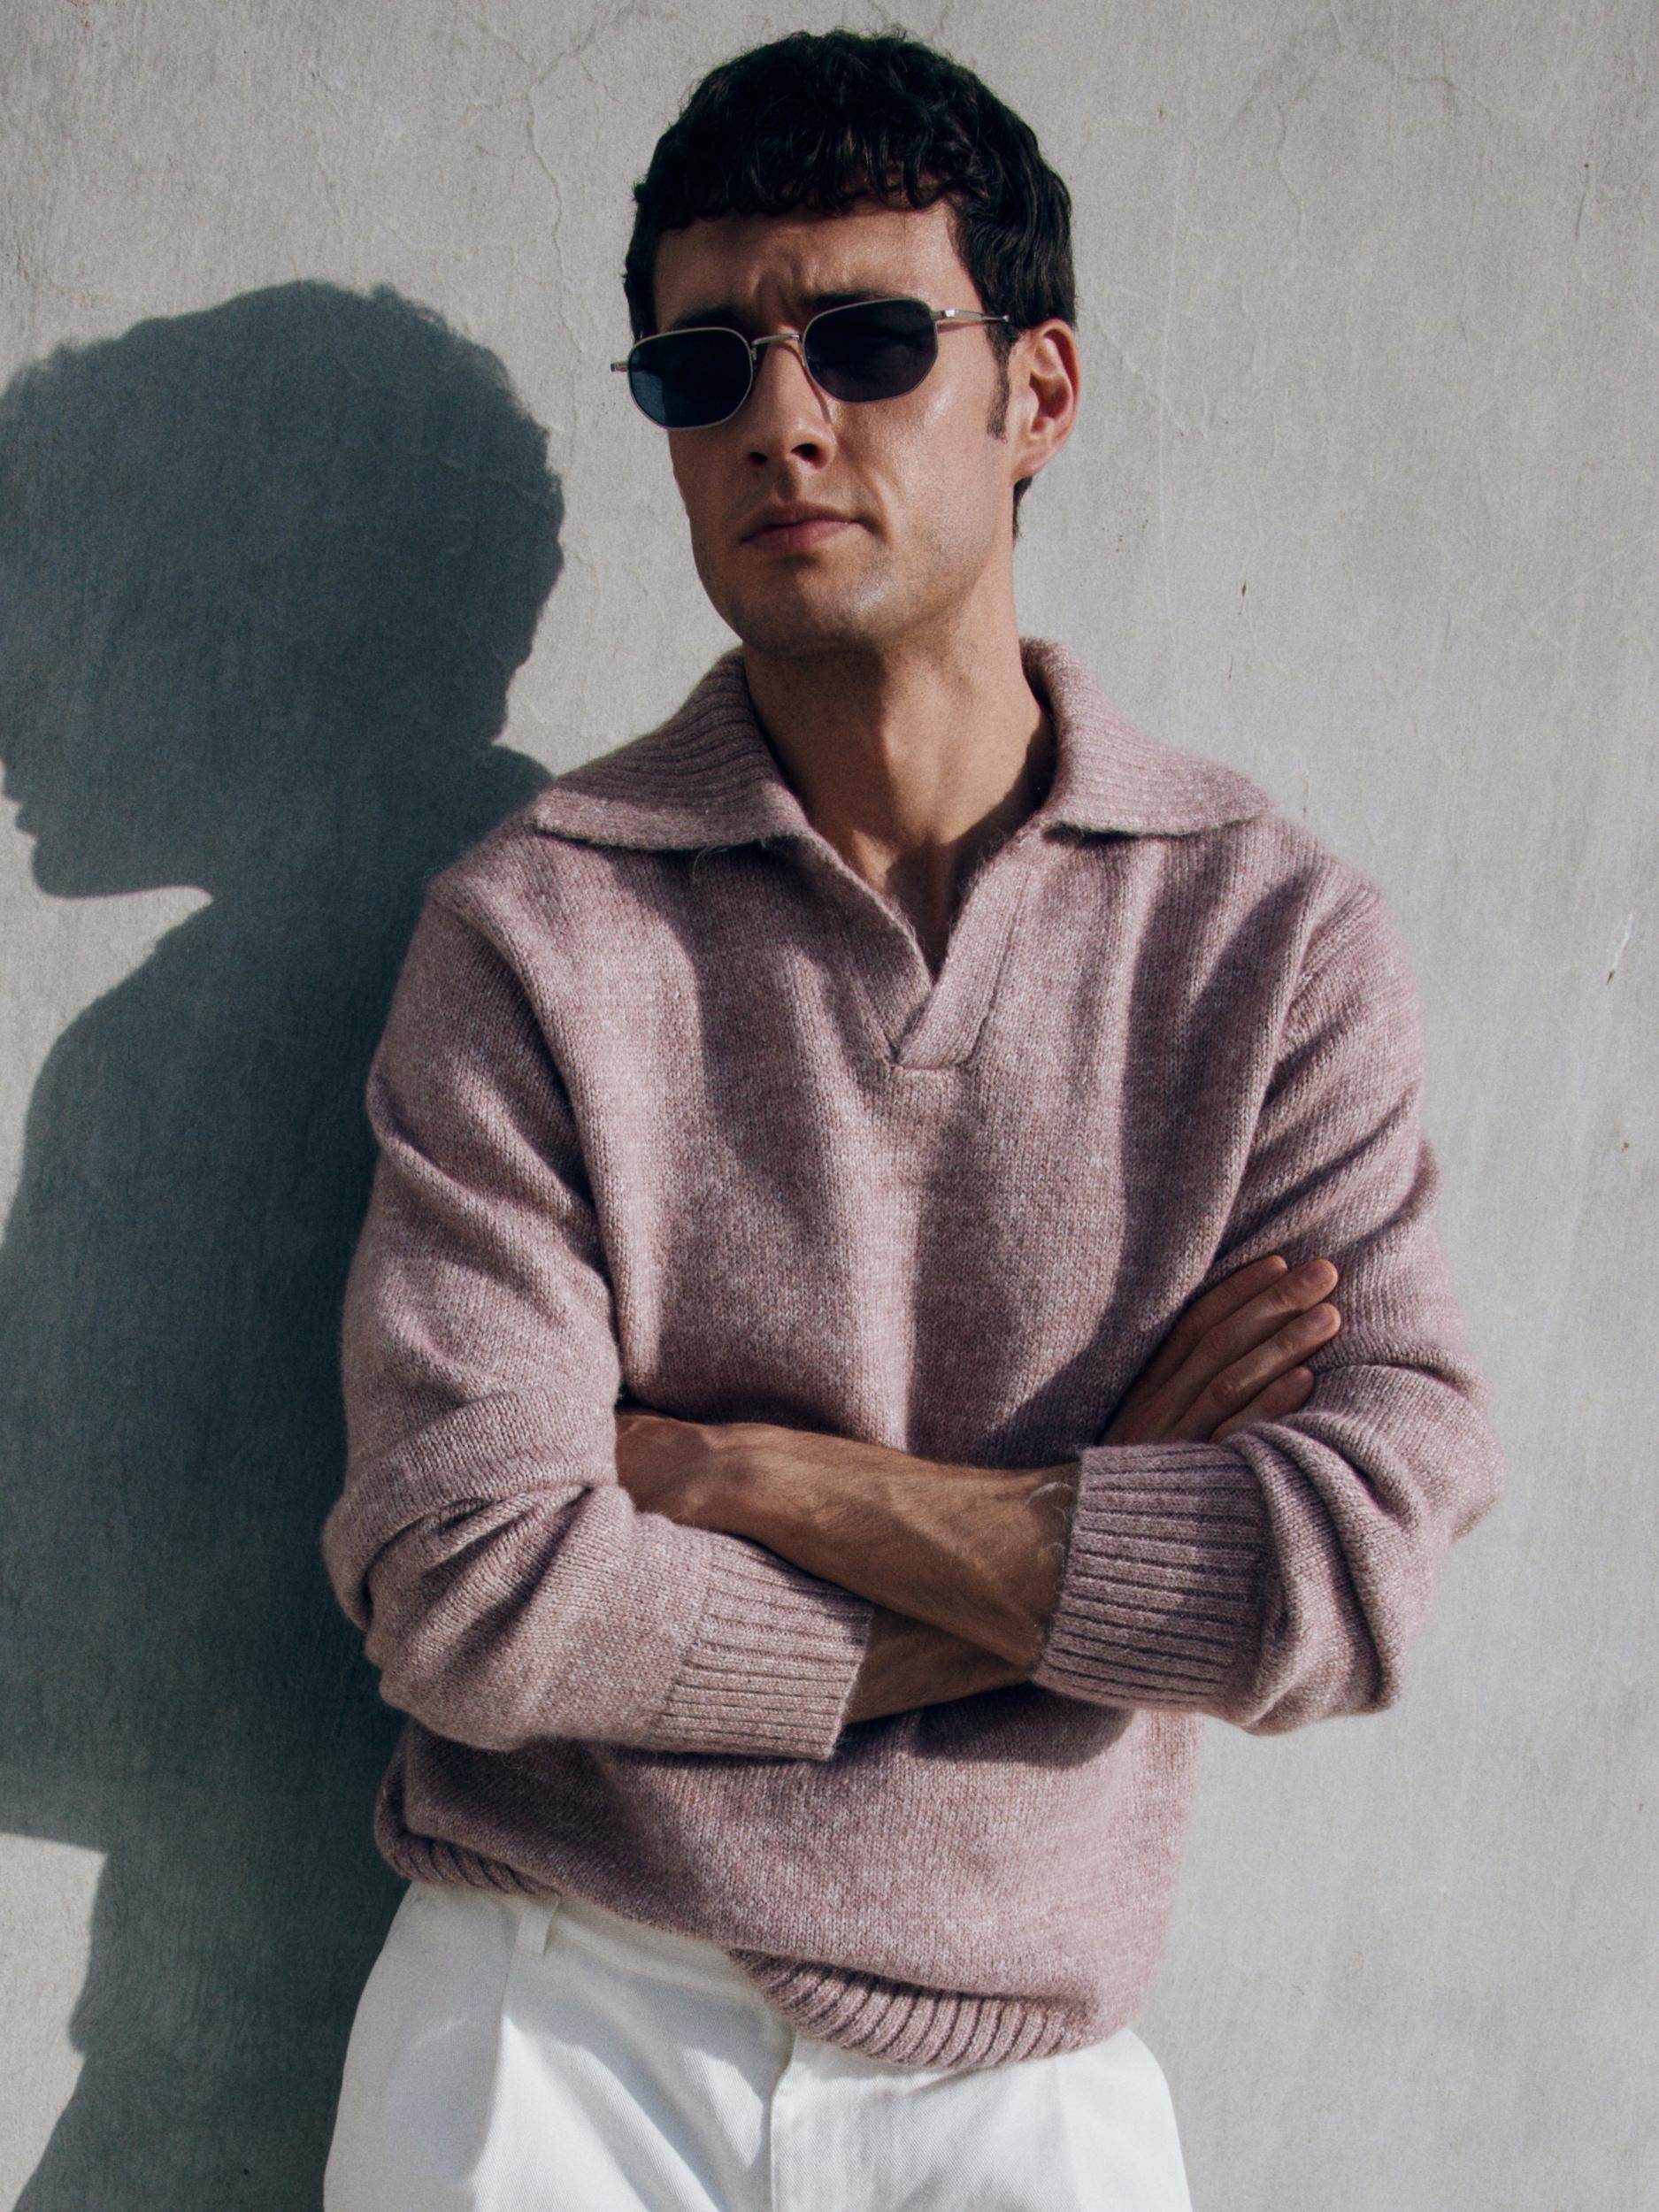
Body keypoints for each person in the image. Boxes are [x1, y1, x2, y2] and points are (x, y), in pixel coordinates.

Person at [319, 27, 1504, 2210]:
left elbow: (1344, 1572)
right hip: (554, 2022)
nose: (780, 417)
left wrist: (756, 1474)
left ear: (1034, 392)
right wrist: (1101, 1529)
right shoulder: (535, 933)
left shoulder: (1266, 939)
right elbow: (469, 1589)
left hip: (1026, 2076)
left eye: (866, 342)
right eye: (702, 368)